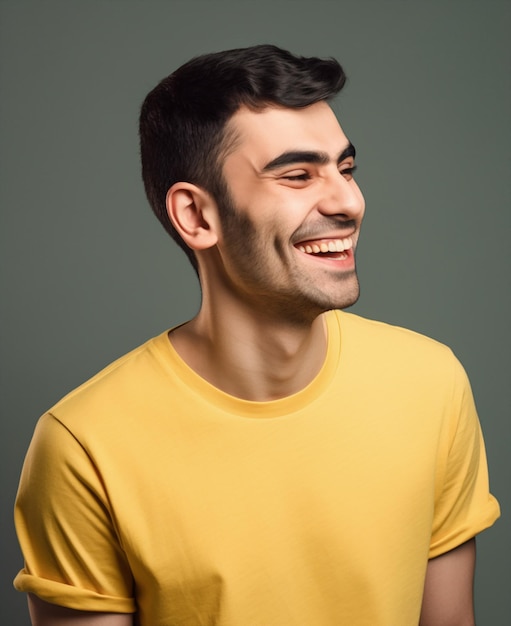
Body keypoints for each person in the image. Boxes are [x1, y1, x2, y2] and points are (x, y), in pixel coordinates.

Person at [14, 45, 499, 626]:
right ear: (196, 216)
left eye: (345, 168)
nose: (349, 201)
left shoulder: (431, 384)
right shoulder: (83, 447)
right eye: (297, 175)